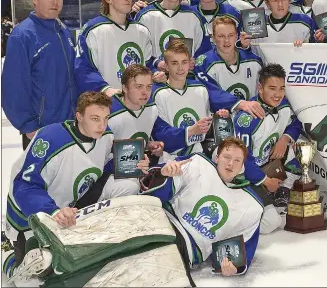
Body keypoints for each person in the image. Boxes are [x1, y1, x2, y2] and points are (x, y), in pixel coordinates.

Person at [3, 92, 147, 272]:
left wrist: (136, 163)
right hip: (30, 213)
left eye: (105, 118)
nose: (102, 125)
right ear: (79, 116)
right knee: (35, 272)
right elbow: (24, 187)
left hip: (71, 206)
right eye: (95, 118)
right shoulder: (50, 139)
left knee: (129, 186)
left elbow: (103, 167)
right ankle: (10, 257)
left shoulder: (105, 135)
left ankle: (104, 236)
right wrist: (53, 211)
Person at [139, 138, 280, 277]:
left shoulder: (252, 206)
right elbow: (155, 196)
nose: (231, 163)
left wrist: (233, 267)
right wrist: (163, 175)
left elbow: (241, 251)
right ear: (217, 158)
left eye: (237, 160)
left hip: (185, 247)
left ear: (242, 166)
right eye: (227, 157)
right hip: (161, 222)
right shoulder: (197, 163)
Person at [1, 0, 77, 150]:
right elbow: (13, 86)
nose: (55, 1)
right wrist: (28, 126)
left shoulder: (63, 30)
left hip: (69, 124)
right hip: (40, 129)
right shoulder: (22, 36)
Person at [99, 64, 194, 200]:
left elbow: (153, 133)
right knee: (131, 186)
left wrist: (150, 145)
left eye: (148, 86)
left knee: (184, 167)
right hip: (111, 173)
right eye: (139, 87)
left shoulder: (151, 107)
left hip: (139, 166)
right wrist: (132, 160)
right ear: (124, 88)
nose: (145, 92)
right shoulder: (108, 114)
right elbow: (96, 157)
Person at [234, 64, 302, 211]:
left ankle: (282, 190)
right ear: (260, 88)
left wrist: (284, 139)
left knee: (300, 145)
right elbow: (242, 160)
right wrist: (265, 181)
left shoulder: (284, 105)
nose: (277, 94)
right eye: (272, 88)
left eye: (281, 88)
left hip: (270, 163)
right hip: (249, 175)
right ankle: (263, 192)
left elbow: (297, 123)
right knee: (271, 220)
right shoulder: (246, 118)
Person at [151, 39, 234, 160]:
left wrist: (219, 117)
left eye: (184, 62)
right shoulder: (157, 93)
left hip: (200, 151)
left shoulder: (200, 88)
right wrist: (191, 131)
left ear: (189, 63)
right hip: (171, 157)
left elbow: (206, 126)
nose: (180, 68)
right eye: (174, 63)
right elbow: (161, 135)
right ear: (166, 66)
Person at [75, 0, 153, 97]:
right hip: (106, 105)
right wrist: (104, 88)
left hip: (138, 105)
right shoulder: (93, 30)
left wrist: (157, 73)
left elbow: (148, 65)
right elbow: (83, 68)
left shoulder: (141, 31)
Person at [134, 0, 212, 76]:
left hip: (187, 79)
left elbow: (206, 50)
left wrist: (195, 61)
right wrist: (155, 64)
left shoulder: (195, 16)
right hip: (156, 80)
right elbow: (138, 50)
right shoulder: (145, 16)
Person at [194, 16, 265, 119]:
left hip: (251, 122)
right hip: (219, 126)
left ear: (236, 36)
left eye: (230, 35)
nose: (226, 41)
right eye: (221, 36)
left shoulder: (254, 61)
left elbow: (263, 92)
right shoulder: (202, 62)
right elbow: (209, 92)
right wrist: (240, 104)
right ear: (213, 38)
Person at [240, 0, 317, 60]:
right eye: (275, 1)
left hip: (296, 70)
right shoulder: (256, 24)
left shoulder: (305, 22)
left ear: (289, 1)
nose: (280, 4)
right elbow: (251, 55)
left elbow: (317, 51)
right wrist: (244, 46)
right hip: (265, 71)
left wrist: (306, 48)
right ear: (267, 4)